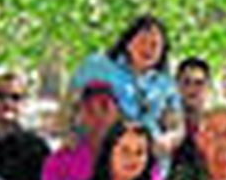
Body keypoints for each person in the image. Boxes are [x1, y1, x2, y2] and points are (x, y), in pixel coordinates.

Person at [70, 14, 180, 151]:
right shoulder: (98, 66)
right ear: (128, 42)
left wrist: (168, 140)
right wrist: (68, 139)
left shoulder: (165, 84)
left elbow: (176, 125)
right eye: (143, 41)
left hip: (148, 157)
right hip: (98, 151)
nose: (147, 48)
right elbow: (69, 103)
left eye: (155, 44)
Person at [40, 80, 123, 180]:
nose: (98, 115)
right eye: (90, 109)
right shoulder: (60, 160)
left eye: (104, 106)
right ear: (79, 115)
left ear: (117, 113)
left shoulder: (137, 155)